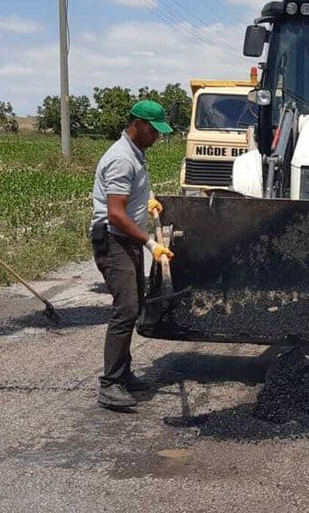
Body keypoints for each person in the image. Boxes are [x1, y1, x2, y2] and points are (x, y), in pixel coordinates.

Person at [90, 100, 175, 409]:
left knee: (134, 304)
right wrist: (151, 244)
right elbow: (115, 214)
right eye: (154, 131)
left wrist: (147, 200)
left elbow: (130, 196)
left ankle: (123, 374)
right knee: (126, 309)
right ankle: (110, 383)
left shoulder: (136, 155)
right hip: (114, 241)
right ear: (138, 124)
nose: (156, 137)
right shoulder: (121, 159)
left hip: (126, 240)